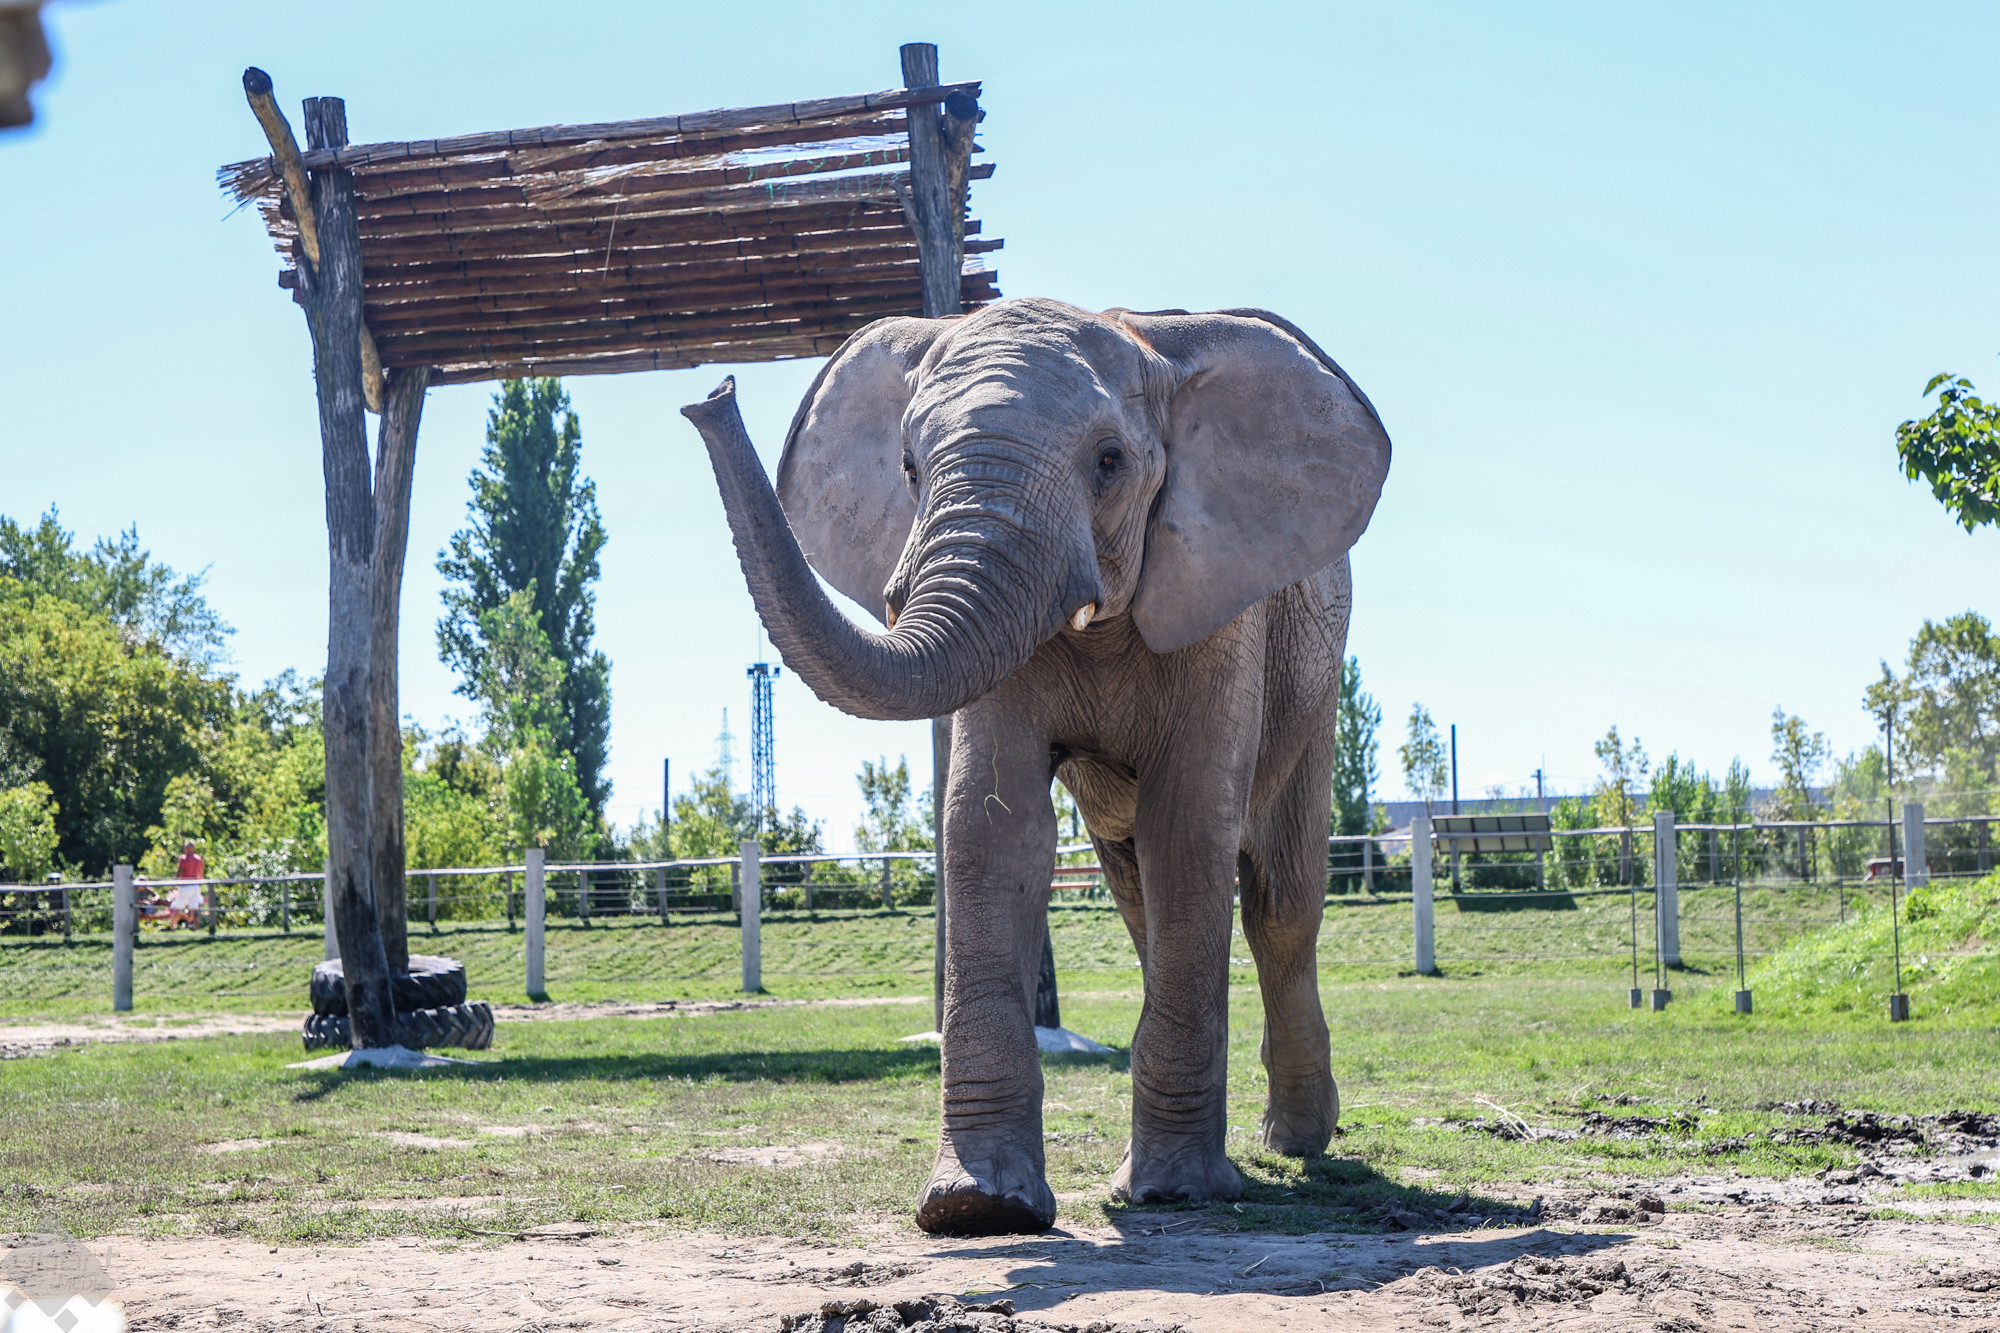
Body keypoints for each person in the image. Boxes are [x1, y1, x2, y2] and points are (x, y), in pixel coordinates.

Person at [167, 841, 206, 928]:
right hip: (195, 885)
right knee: (194, 908)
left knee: (178, 907)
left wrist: (173, 884)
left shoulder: (183, 858)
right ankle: (197, 927)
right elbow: (201, 872)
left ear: (186, 848)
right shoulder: (198, 858)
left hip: (185, 886)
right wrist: (200, 883)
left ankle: (171, 927)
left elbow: (180, 871)